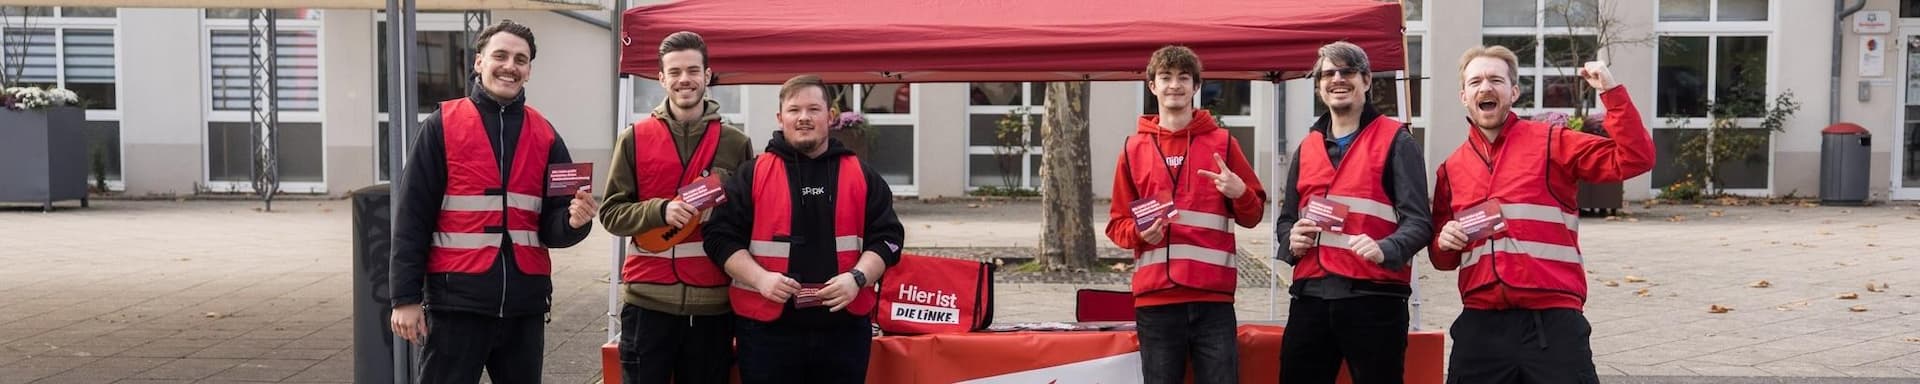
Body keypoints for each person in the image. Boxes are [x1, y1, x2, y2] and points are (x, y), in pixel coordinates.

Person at [1430, 45, 1654, 384]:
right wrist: (1444, 242)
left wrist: (1611, 91)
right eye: (1475, 82)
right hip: (1481, 327)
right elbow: (1442, 260)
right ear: (1464, 96)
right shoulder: (1451, 168)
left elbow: (1635, 158)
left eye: (1496, 80)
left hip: (1552, 324)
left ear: (1514, 92)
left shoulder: (1552, 142)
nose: (1485, 87)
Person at [388, 19, 596, 384]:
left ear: (529, 71)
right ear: (479, 62)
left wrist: (575, 222)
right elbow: (411, 219)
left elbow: (553, 227)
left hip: (524, 308)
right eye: (500, 55)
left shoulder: (545, 134)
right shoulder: (441, 126)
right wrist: (405, 298)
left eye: (521, 59)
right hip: (456, 306)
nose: (510, 66)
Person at [703, 74, 906, 384]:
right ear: (780, 118)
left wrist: (857, 278)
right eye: (794, 110)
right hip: (765, 331)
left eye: (813, 109)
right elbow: (718, 237)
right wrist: (761, 279)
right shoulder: (752, 174)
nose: (803, 118)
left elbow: (889, 240)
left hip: (844, 330)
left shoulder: (862, 175)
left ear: (831, 116)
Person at [1104, 45, 1267, 384]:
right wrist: (1138, 234)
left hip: (1213, 300)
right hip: (1155, 301)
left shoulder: (1223, 144)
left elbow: (1253, 216)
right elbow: (1117, 225)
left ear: (1196, 86)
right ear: (1152, 86)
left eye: (1183, 78)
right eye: (1166, 77)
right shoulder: (1132, 149)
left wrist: (1240, 193)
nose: (1174, 85)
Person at [600, 31, 754, 384]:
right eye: (675, 72)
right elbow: (610, 213)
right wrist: (659, 211)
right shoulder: (634, 138)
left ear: (707, 75)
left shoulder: (735, 143)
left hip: (712, 307)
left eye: (693, 70)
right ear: (661, 78)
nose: (685, 79)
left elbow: (749, 218)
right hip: (647, 303)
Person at [1276, 41, 1433, 384]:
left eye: (1347, 71)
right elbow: (1286, 218)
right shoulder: (1306, 147)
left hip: (1374, 299)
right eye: (1328, 74)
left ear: (1366, 81)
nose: (1337, 79)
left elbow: (1420, 222)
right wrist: (1291, 240)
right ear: (1319, 87)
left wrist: (1386, 248)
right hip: (1311, 298)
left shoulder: (1397, 141)